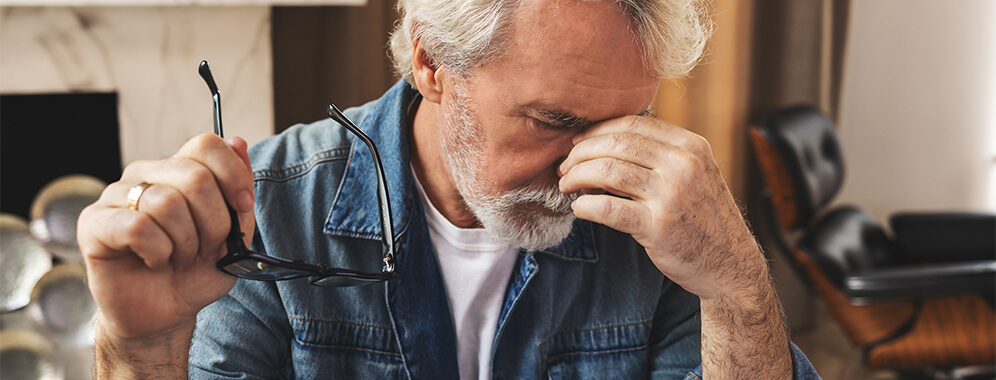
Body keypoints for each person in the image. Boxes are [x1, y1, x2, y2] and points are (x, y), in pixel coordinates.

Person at [78, 0, 820, 378]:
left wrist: (737, 286)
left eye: (627, 122)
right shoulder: (270, 209)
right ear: (432, 63)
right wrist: (142, 346)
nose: (589, 168)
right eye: (553, 120)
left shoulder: (661, 223)